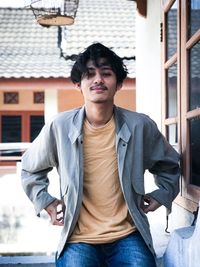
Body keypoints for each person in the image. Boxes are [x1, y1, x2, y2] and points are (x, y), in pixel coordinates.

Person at [21, 42, 180, 267]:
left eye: (106, 74)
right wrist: (44, 201)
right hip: (79, 238)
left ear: (119, 84)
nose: (98, 80)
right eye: (89, 75)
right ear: (79, 84)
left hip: (128, 234)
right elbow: (30, 168)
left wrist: (161, 194)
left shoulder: (140, 125)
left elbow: (169, 164)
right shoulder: (60, 126)